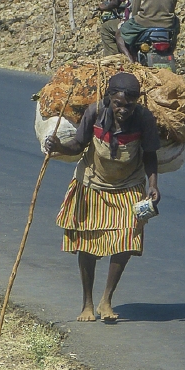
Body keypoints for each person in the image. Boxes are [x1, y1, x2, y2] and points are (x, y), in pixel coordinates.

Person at [44, 72, 160, 323]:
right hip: (92, 183)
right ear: (109, 98)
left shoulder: (144, 118)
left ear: (136, 103)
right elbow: (78, 145)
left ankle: (106, 299)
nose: (123, 110)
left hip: (129, 184)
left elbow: (150, 154)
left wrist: (153, 185)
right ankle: (87, 303)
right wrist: (59, 147)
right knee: (88, 243)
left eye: (129, 105)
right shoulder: (95, 112)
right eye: (118, 104)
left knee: (127, 239)